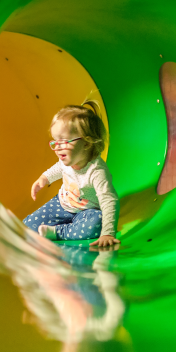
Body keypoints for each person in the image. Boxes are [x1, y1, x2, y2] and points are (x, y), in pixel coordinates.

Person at [23, 101, 121, 248]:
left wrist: (108, 233)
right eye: (56, 141)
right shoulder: (67, 159)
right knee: (27, 226)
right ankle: (62, 227)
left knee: (95, 224)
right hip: (62, 204)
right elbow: (59, 167)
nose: (57, 148)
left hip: (87, 212)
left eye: (64, 142)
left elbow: (109, 200)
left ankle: (58, 232)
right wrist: (44, 178)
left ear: (87, 143)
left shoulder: (96, 171)